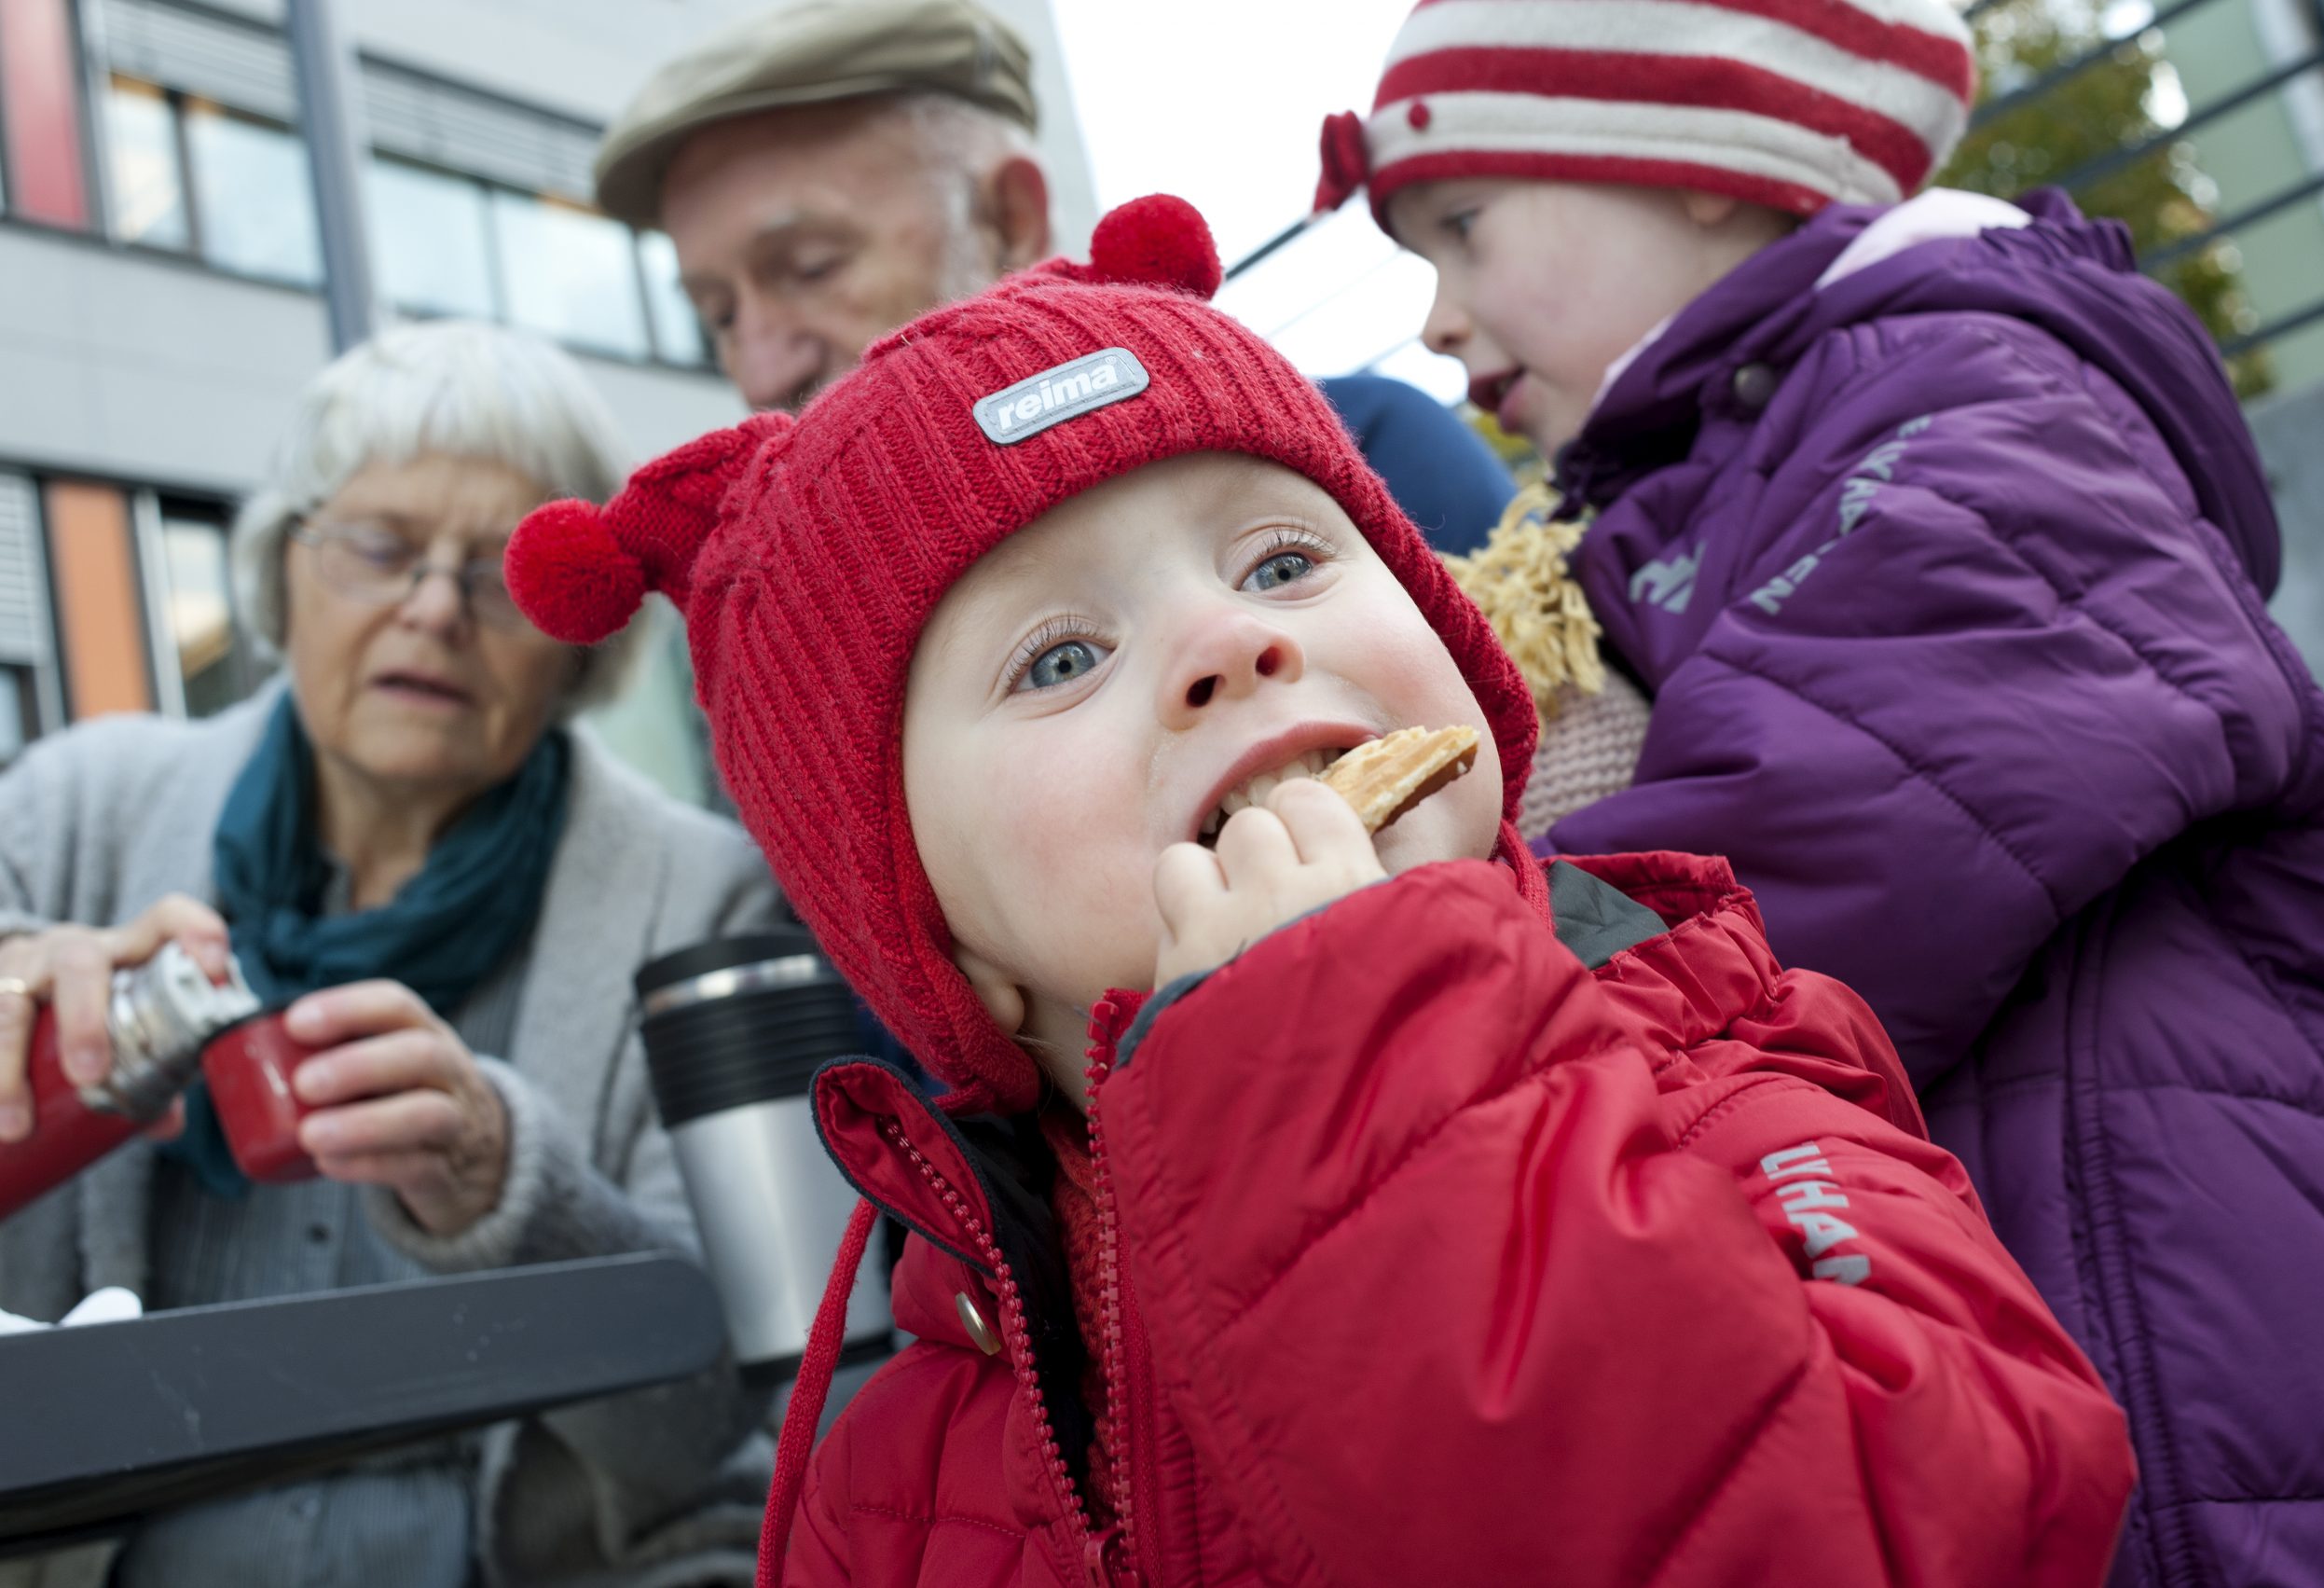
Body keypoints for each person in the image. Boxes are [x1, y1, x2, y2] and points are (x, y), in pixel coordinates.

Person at [503, 193, 2134, 1587]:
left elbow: (1923, 1520)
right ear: (946, 945)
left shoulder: (1733, 1069)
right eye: (1060, 656)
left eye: (1282, 562)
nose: (1231, 640)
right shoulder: (902, 1456)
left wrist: (1359, 1055)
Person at [1313, 4, 2324, 1583]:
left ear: (1699, 160)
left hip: (2200, 1308)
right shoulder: (1701, 478)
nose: (1437, 318)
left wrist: (1443, 968)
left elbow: (1859, 803)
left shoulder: (1970, 379)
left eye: (1463, 227)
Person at [0, 321, 784, 1588]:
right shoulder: (69, 814)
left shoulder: (701, 898)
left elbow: (716, 1425)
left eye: (500, 572)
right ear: (283, 570)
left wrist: (507, 1189)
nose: (432, 607)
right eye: (380, 547)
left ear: (580, 632)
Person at [592, 0, 1513, 549]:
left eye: (810, 267)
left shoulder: (1359, 465)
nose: (761, 369)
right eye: (717, 315)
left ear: (1011, 220)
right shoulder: (789, 645)